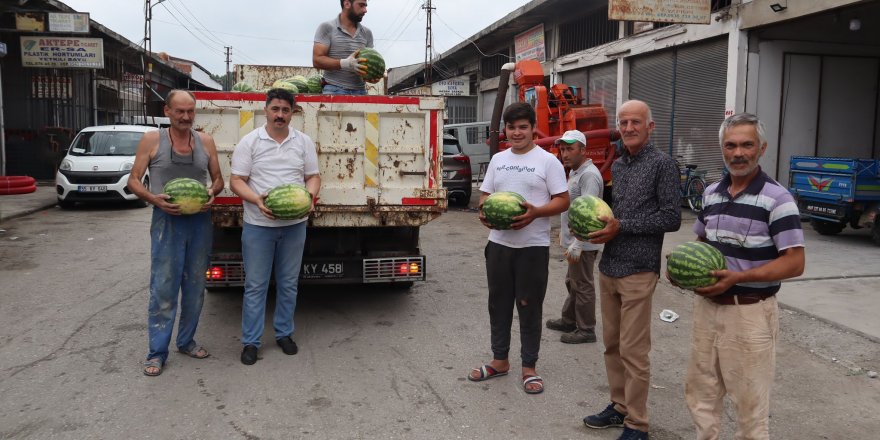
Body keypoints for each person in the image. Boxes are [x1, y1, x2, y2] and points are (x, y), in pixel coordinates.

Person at [680, 113, 805, 440]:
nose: (738, 153)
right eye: (731, 145)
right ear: (722, 149)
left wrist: (736, 277)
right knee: (701, 395)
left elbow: (794, 262)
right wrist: (683, 269)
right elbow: (702, 242)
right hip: (707, 309)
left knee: (750, 407)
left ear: (761, 148)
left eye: (747, 145)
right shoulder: (711, 193)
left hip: (749, 312)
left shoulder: (778, 199)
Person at [582, 100, 681, 440]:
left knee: (634, 351)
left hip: (639, 269)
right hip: (609, 265)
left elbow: (671, 217)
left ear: (649, 126)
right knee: (611, 344)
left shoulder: (663, 165)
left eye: (635, 122)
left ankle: (637, 423)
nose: (628, 128)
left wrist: (621, 226)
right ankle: (619, 406)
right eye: (623, 122)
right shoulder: (620, 166)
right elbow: (615, 213)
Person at [466, 102, 569, 394]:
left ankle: (529, 366)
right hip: (498, 246)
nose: (517, 132)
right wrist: (485, 213)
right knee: (498, 304)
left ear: (533, 129)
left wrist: (536, 213)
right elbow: (485, 196)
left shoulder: (548, 161)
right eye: (511, 127)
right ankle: (500, 361)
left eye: (523, 127)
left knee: (528, 305)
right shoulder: (498, 159)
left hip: (532, 247)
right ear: (506, 130)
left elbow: (563, 200)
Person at [128, 89, 224, 377]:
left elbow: (218, 179)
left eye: (190, 111)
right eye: (180, 111)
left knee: (195, 287)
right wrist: (154, 198)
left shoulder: (205, 141)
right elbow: (133, 180)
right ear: (167, 111)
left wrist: (212, 193)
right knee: (164, 288)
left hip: (199, 221)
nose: (186, 117)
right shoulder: (151, 140)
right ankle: (157, 352)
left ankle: (186, 341)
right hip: (166, 221)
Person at [230, 88, 321, 366]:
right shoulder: (250, 142)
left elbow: (313, 176)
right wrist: (256, 199)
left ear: (292, 112)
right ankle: (251, 342)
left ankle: (284, 334)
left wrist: (310, 197)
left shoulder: (303, 142)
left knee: (289, 284)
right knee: (256, 285)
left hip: (295, 224)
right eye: (275, 109)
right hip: (259, 225)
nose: (280, 115)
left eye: (285, 110)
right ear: (266, 110)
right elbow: (236, 180)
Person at [545, 130, 603, 344]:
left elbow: (589, 213)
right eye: (562, 149)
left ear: (583, 150)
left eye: (570, 149)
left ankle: (587, 329)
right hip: (574, 240)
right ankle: (569, 319)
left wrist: (578, 243)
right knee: (573, 281)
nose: (565, 153)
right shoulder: (575, 172)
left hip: (584, 242)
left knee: (583, 284)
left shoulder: (589, 175)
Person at [313, 0, 376, 95]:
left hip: (361, 92)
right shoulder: (327, 27)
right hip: (333, 90)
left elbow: (369, 64)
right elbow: (317, 60)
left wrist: (373, 76)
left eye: (365, 6)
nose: (365, 10)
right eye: (361, 5)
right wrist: (345, 63)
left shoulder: (367, 33)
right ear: (347, 4)